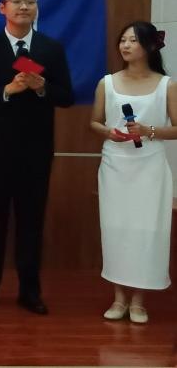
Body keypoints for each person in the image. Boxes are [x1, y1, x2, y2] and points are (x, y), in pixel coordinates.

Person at [0, 0, 73, 314]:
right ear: (2, 8)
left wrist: (41, 87)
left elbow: (66, 97)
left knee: (31, 223)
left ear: (37, 8)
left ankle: (30, 292)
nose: (25, 7)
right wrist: (7, 90)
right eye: (18, 1)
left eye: (31, 1)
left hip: (36, 152)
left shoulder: (51, 49)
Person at [90, 21, 174, 324]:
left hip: (150, 167)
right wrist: (109, 133)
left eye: (133, 40)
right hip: (116, 165)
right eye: (123, 40)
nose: (125, 45)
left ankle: (139, 300)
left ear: (150, 46)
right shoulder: (107, 83)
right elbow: (95, 122)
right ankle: (119, 297)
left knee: (147, 231)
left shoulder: (167, 85)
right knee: (116, 230)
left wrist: (148, 130)